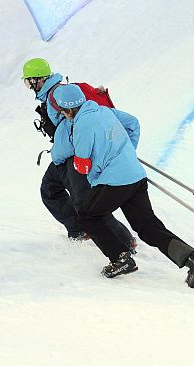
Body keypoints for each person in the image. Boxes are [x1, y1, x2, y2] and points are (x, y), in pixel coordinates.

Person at [53, 84, 194, 288]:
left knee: (87, 214)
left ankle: (120, 258)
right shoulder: (103, 110)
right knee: (147, 226)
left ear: (67, 109)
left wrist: (94, 162)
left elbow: (82, 165)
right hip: (136, 177)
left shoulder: (80, 126)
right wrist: (126, 151)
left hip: (114, 182)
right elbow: (132, 123)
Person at [22, 58, 134, 248]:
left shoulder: (58, 94)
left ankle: (123, 240)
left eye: (28, 82)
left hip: (75, 156)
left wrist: (85, 152)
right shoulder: (53, 94)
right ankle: (79, 229)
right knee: (50, 189)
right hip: (64, 155)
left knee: (86, 201)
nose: (29, 86)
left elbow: (80, 120)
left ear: (37, 80)